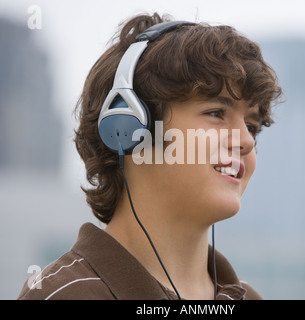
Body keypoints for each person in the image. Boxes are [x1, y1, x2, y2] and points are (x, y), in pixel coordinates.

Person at [18, 12, 282, 300]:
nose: (245, 140)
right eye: (216, 113)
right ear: (129, 128)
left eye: (253, 127)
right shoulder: (65, 294)